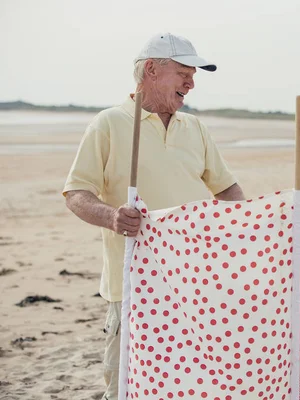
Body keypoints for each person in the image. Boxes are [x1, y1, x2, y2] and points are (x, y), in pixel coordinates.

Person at [63, 33, 245, 400]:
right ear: (151, 70)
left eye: (193, 74)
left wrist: (249, 229)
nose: (191, 83)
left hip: (195, 285)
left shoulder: (194, 128)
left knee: (191, 385)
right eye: (182, 73)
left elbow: (228, 192)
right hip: (132, 287)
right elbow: (76, 193)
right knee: (126, 388)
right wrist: (112, 216)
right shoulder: (110, 123)